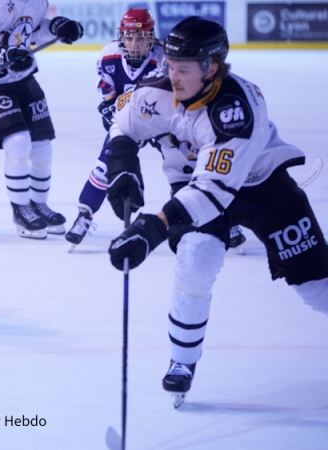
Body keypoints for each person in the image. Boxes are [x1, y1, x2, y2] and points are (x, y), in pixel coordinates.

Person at [105, 16, 328, 406]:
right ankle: (182, 361)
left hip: (263, 187)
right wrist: (123, 168)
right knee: (195, 258)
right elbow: (121, 128)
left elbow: (215, 191)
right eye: (171, 66)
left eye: (184, 70)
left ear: (212, 67)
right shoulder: (155, 92)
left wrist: (154, 228)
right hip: (193, 186)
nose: (173, 77)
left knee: (316, 286)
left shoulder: (237, 108)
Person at [0, 0, 83, 239]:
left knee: (43, 147)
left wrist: (58, 27)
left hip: (23, 78)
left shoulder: (38, 2)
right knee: (18, 143)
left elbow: (31, 29)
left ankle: (38, 205)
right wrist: (2, 54)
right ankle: (20, 210)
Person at [65, 8, 165, 250]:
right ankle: (84, 216)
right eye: (129, 37)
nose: (134, 43)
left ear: (151, 37)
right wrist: (112, 112)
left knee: (185, 164)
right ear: (121, 36)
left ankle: (212, 216)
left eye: (141, 37)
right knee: (105, 166)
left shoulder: (163, 58)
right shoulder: (109, 55)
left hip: (162, 117)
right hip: (128, 118)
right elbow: (109, 97)